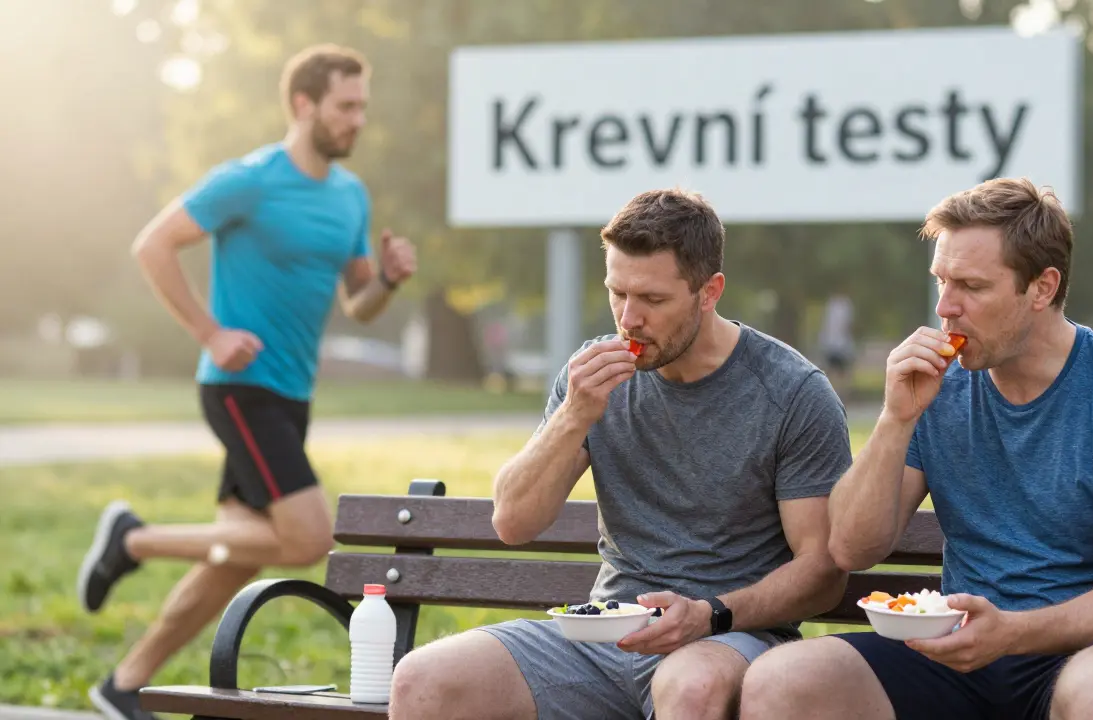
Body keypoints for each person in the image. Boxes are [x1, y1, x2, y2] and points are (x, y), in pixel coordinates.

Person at [740, 177, 1093, 720]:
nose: (946, 309)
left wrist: (1013, 633)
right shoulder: (940, 388)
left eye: (971, 287)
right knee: (781, 680)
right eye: (941, 281)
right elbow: (850, 549)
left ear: (1042, 288)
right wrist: (895, 418)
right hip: (960, 650)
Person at [387, 188, 853, 720]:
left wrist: (708, 614)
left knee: (691, 687)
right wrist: (573, 417)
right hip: (604, 633)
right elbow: (513, 521)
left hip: (729, 636)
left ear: (709, 291)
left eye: (652, 300)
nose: (628, 319)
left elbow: (822, 570)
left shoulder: (791, 392)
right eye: (617, 293)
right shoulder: (591, 374)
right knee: (423, 681)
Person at [76, 44, 417, 720]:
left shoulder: (350, 194)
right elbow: (154, 243)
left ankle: (124, 683)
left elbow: (358, 302)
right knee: (309, 538)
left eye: (362, 108)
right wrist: (209, 333)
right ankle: (133, 540)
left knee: (233, 558)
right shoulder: (251, 179)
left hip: (292, 396)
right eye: (345, 106)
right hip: (240, 386)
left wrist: (386, 279)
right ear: (303, 104)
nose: (358, 120)